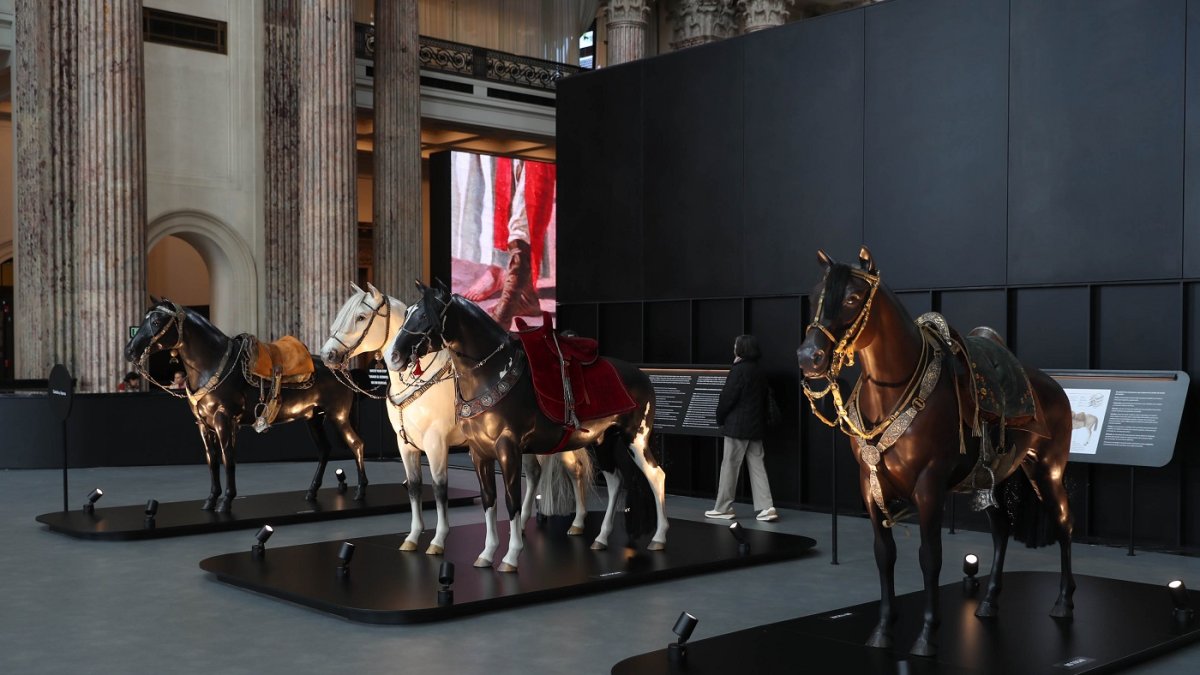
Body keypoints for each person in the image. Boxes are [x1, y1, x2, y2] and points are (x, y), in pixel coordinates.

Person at [705, 334, 778, 522]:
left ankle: (723, 508)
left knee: (730, 465)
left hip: (737, 427)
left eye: (736, 345)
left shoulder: (738, 370)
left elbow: (727, 398)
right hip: (756, 426)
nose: (733, 348)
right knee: (757, 465)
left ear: (741, 349)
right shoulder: (759, 370)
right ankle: (767, 507)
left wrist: (719, 417)